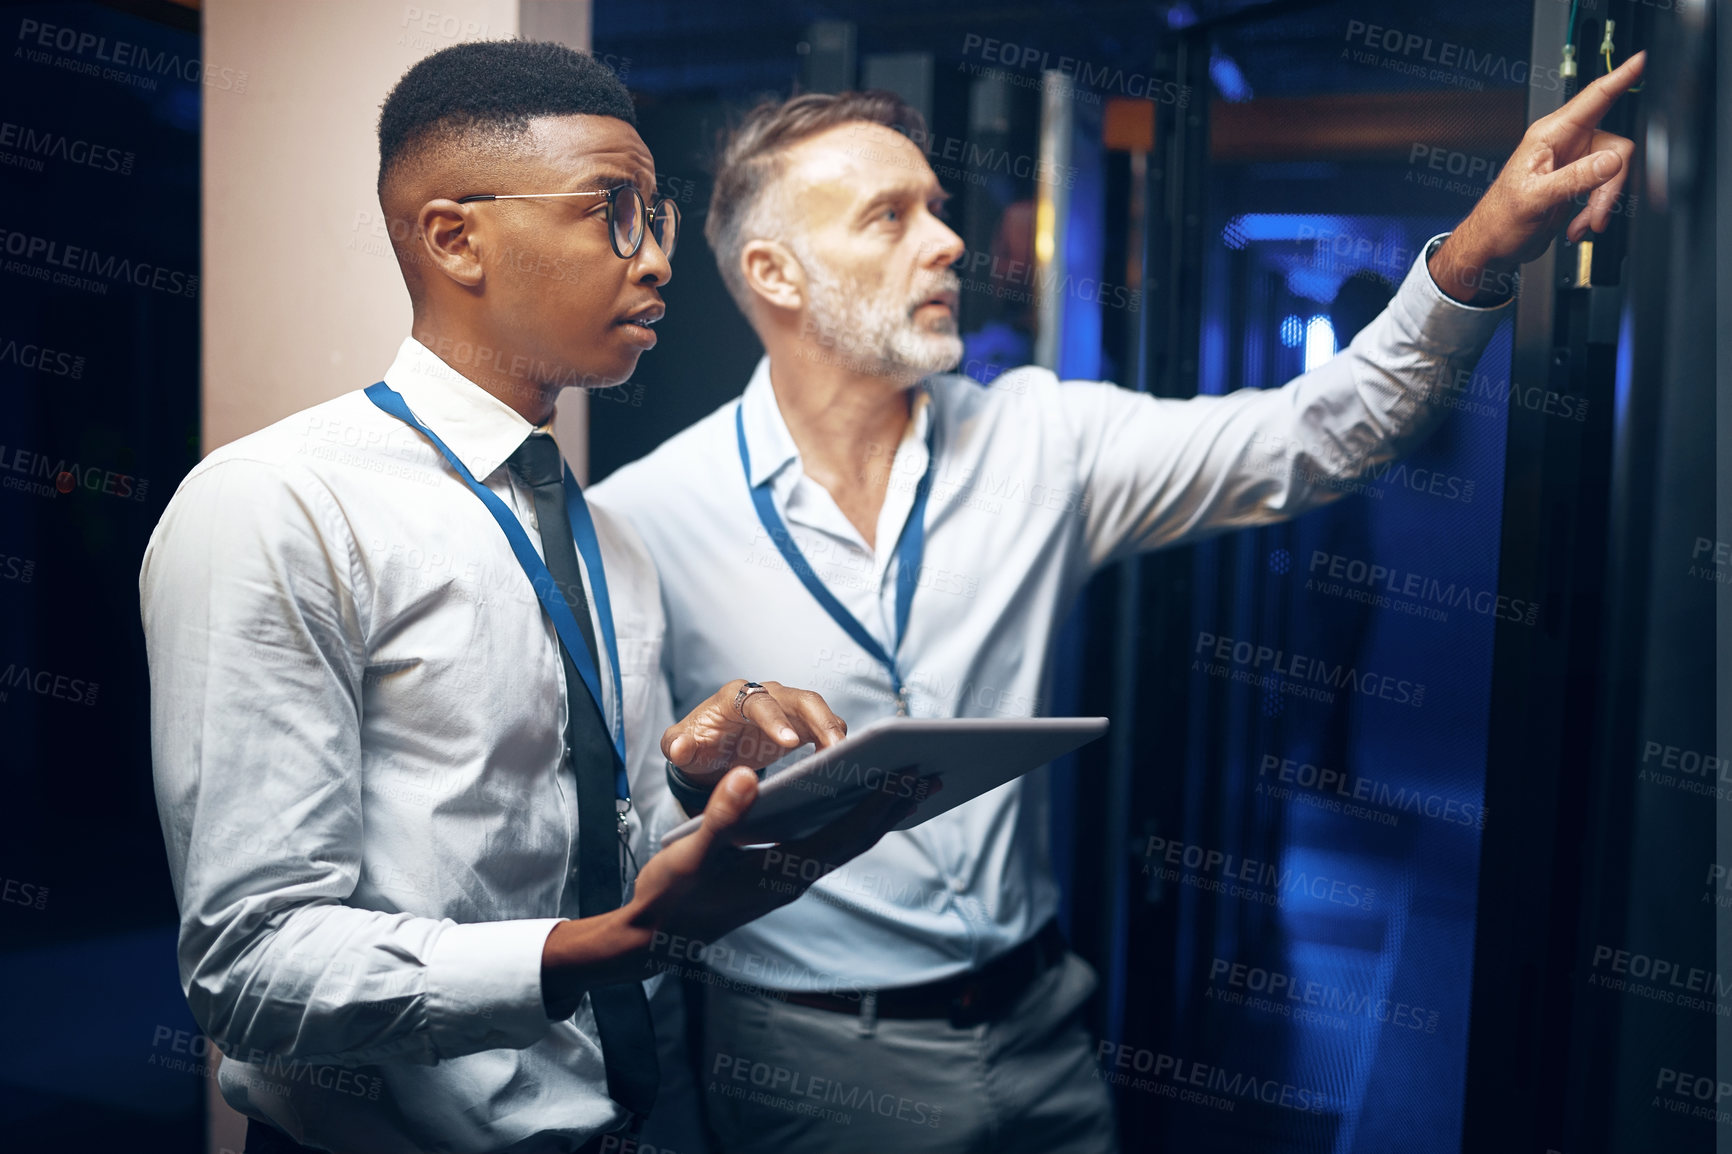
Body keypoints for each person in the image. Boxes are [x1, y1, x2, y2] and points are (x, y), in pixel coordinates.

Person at [588, 54, 1646, 1154]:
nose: (948, 240)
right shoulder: (643, 520)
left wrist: (1480, 250)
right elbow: (621, 858)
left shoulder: (1043, 438)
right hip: (811, 1070)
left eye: (937, 210)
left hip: (1045, 1034)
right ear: (777, 272)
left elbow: (1315, 435)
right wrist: (688, 774)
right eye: (888, 216)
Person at [141, 40, 905, 1154]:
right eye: (615, 210)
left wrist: (696, 782)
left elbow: (589, 839)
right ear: (455, 237)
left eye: (660, 219)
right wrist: (600, 945)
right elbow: (250, 966)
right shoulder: (274, 503)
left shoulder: (608, 537)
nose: (656, 263)